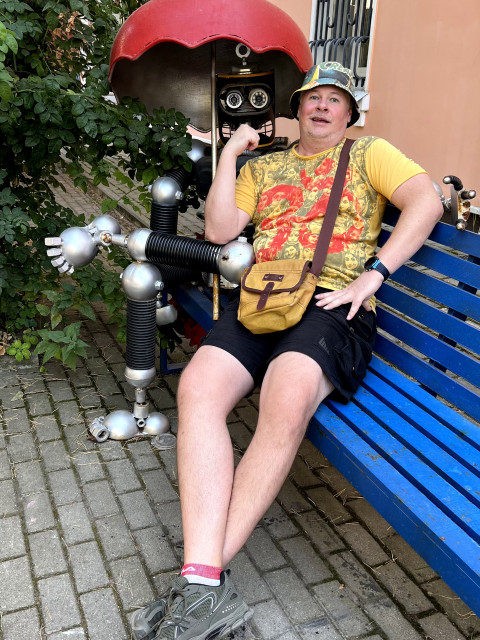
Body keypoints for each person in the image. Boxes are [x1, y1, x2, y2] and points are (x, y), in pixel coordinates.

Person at [131, 62, 443, 640]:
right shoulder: (264, 165)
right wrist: (230, 152)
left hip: (333, 303)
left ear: (350, 113)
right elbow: (220, 232)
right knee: (197, 389)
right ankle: (203, 587)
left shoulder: (369, 153)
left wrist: (374, 273)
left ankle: (198, 581)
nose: (322, 106)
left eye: (334, 99)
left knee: (286, 396)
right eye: (312, 97)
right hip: (265, 300)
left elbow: (426, 200)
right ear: (297, 107)